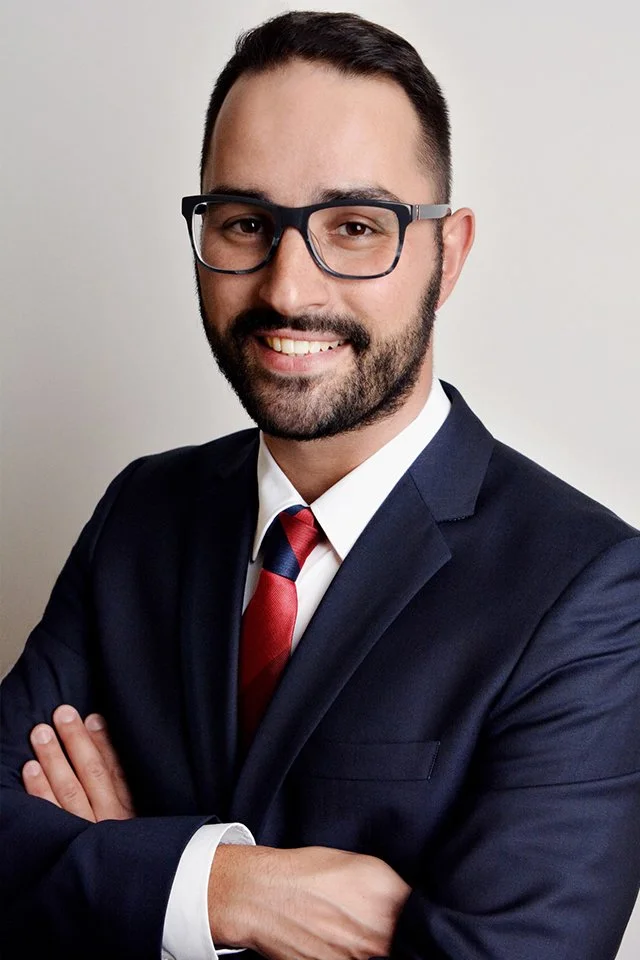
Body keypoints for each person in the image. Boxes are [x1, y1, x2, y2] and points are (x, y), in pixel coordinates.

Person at [2, 10, 639, 960]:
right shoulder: (140, 514)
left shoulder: (590, 591)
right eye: (247, 223)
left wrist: (118, 877)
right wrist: (226, 888)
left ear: (448, 254)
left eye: (353, 226)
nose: (289, 288)